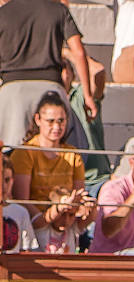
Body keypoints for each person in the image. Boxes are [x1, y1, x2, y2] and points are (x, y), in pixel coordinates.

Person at [0, 0, 95, 148]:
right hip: (52, 89)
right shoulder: (57, 10)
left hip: (13, 93)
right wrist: (88, 95)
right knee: (63, 154)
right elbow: (78, 51)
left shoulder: (2, 14)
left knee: (11, 154)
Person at [10, 92, 91, 253]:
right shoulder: (25, 152)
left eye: (61, 121)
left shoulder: (73, 154)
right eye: (50, 121)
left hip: (66, 225)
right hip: (35, 227)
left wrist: (82, 208)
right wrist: (47, 219)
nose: (57, 127)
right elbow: (22, 200)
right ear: (38, 119)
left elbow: (78, 194)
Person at [1, 156, 38, 252]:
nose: (3, 186)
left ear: (13, 180)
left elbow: (27, 249)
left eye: (7, 180)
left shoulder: (21, 212)